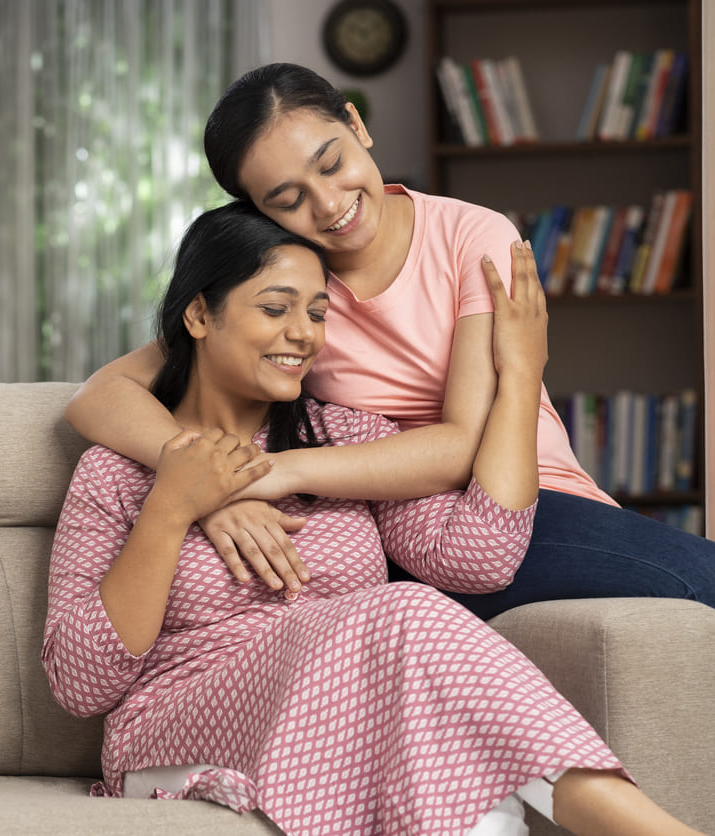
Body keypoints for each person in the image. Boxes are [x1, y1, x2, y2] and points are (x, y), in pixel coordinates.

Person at [42, 201, 705, 836]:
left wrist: (522, 370)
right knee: (405, 613)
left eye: (317, 312)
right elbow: (80, 682)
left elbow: (481, 555)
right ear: (198, 315)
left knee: (431, 740)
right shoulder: (118, 469)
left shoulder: (344, 436)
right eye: (276, 308)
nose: (302, 334)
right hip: (176, 723)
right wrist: (173, 507)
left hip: (344, 710)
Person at [62, 63, 715, 621]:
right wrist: (200, 481)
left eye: (333, 162)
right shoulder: (290, 299)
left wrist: (267, 475)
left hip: (522, 497)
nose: (328, 204)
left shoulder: (473, 237)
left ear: (357, 125)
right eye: (287, 199)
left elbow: (461, 446)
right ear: (259, 213)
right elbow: (98, 397)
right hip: (395, 532)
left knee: (699, 579)